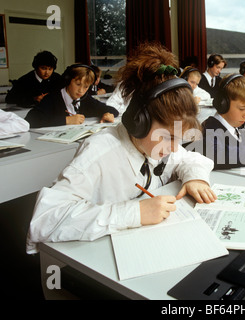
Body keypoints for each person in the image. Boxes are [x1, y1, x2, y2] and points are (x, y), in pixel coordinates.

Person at [26, 42, 217, 254]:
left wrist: (195, 178)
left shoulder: (159, 146)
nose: (173, 149)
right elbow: (44, 221)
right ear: (139, 122)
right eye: (168, 137)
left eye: (179, 139)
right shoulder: (99, 151)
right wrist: (134, 213)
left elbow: (191, 159)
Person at [186, 74, 245, 170]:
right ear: (223, 104)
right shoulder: (209, 129)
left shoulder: (240, 125)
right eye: (242, 109)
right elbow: (219, 155)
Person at [24, 64, 119, 128]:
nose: (81, 90)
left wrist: (108, 114)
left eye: (86, 87)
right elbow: (31, 119)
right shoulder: (53, 98)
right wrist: (66, 120)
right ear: (68, 81)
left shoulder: (85, 99)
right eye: (78, 84)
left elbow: (113, 110)